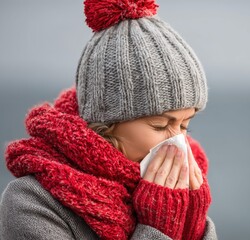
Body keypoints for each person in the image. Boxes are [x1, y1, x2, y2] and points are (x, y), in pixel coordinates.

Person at [0, 0, 217, 239]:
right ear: (107, 124)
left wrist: (191, 223)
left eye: (185, 125)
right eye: (161, 125)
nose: (178, 142)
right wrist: (159, 230)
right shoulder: (32, 203)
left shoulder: (179, 192)